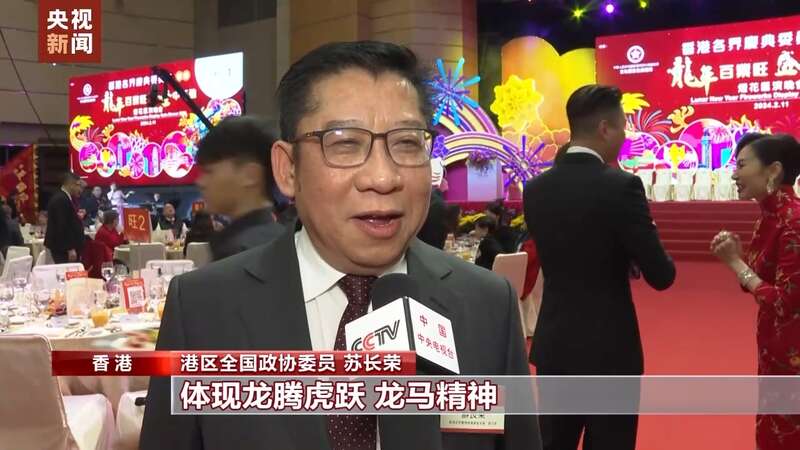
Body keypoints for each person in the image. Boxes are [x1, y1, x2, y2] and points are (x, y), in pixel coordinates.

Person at [140, 40, 540, 450]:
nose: (383, 178)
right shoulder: (203, 308)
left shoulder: (486, 304)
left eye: (406, 143)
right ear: (288, 169)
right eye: (345, 144)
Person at [523, 84, 675, 450]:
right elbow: (661, 275)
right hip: (610, 348)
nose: (625, 137)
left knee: (554, 442)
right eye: (622, 127)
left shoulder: (536, 189)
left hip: (556, 343)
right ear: (605, 128)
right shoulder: (622, 186)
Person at [711, 133, 800, 450]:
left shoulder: (794, 222)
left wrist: (736, 263)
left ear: (773, 170)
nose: (734, 175)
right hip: (774, 346)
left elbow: (785, 302)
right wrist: (739, 260)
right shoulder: (769, 217)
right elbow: (756, 283)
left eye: (741, 165)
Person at [194, 115, 285, 260]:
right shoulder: (285, 239)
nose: (201, 182)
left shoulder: (238, 253)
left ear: (250, 175)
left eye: (209, 171)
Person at [45, 172, 86, 264]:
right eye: (78, 185)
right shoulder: (61, 199)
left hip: (66, 246)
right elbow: (62, 225)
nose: (80, 189)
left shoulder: (66, 197)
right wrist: (70, 248)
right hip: (63, 248)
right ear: (71, 184)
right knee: (66, 271)